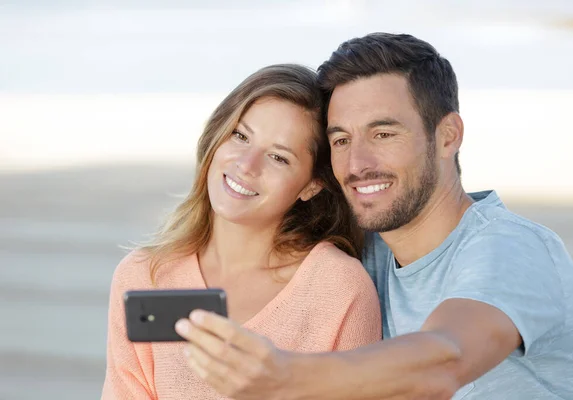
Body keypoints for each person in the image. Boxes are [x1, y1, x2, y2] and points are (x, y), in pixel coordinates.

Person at [175, 33, 573, 399]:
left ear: (447, 135)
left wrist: (287, 376)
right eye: (341, 139)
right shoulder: (359, 253)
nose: (357, 163)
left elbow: (444, 360)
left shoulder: (511, 248)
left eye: (383, 133)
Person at [100, 64, 382, 399]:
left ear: (312, 184)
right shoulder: (144, 275)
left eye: (278, 157)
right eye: (241, 136)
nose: (246, 165)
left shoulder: (339, 289)